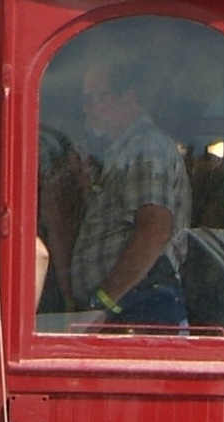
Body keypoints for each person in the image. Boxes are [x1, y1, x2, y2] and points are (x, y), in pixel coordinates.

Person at [63, 57, 188, 329]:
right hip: (126, 305)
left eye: (94, 99)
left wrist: (103, 302)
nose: (86, 108)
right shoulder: (121, 151)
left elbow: (154, 230)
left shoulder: (145, 147)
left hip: (140, 307)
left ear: (128, 98)